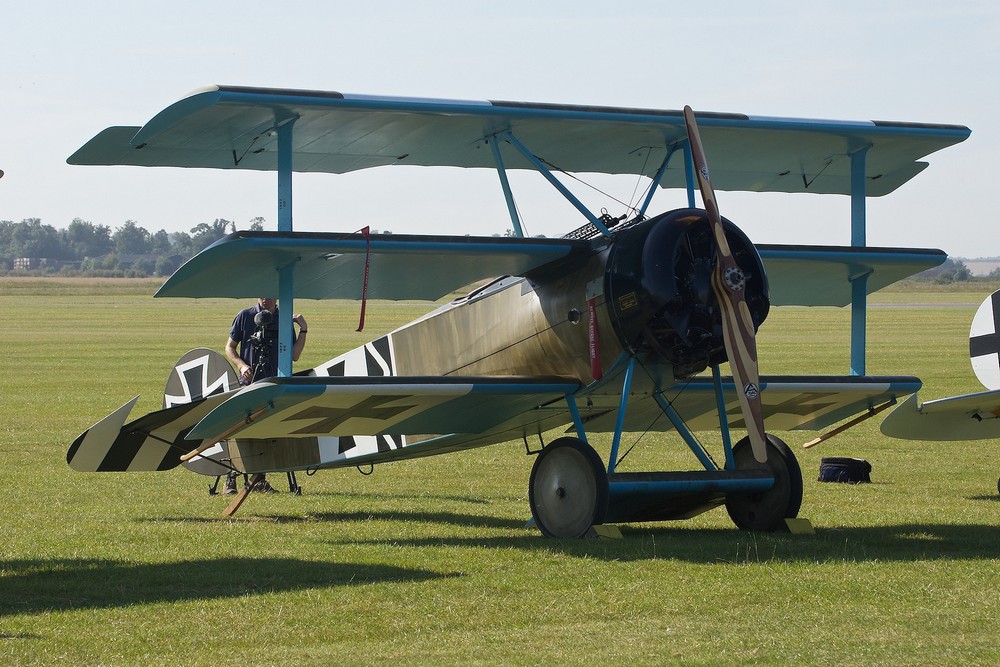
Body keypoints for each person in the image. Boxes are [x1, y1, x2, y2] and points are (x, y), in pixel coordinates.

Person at [221, 296, 308, 494]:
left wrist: (303, 329)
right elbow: (229, 347)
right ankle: (230, 479)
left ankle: (259, 479)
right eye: (262, 294)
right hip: (248, 382)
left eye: (269, 294)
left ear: (277, 297)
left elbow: (294, 355)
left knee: (266, 430)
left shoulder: (284, 321)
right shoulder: (245, 316)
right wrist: (242, 366)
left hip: (273, 384)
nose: (265, 298)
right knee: (237, 429)